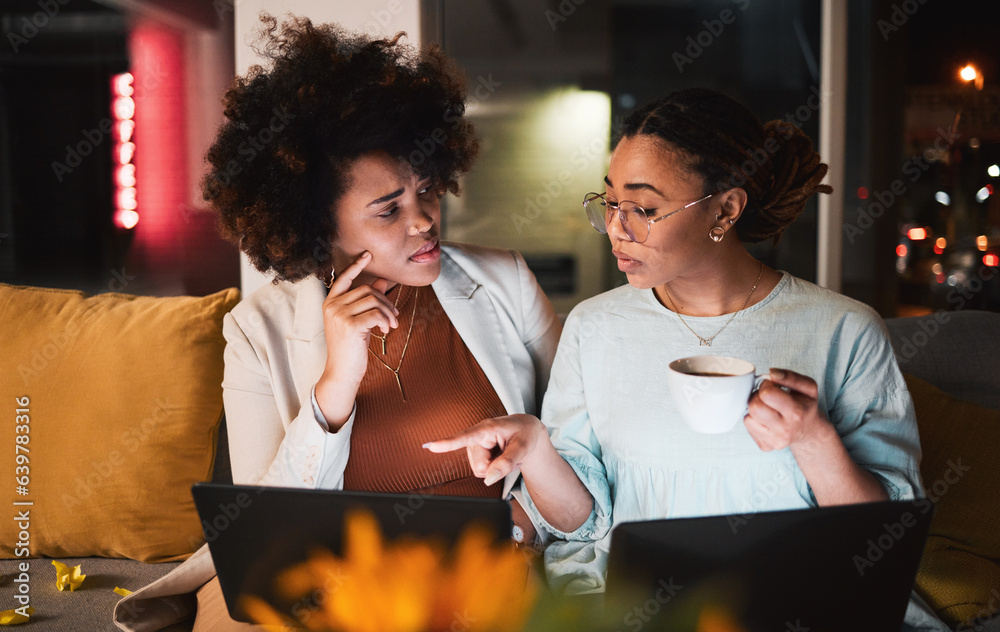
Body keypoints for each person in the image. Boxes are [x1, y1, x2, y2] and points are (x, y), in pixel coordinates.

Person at [426, 88, 949, 631]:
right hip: (636, 603)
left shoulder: (842, 329)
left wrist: (814, 440)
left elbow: (883, 537)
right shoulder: (594, 326)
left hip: (792, 600)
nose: (616, 228)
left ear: (725, 208)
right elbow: (580, 525)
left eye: (644, 209)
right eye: (609, 202)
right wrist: (537, 447)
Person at [113, 15, 560, 632]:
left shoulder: (504, 280)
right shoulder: (257, 330)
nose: (425, 219)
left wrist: (524, 526)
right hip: (336, 582)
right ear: (321, 224)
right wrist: (336, 385)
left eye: (427, 190)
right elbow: (263, 522)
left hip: (489, 570)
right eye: (388, 209)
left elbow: (577, 434)